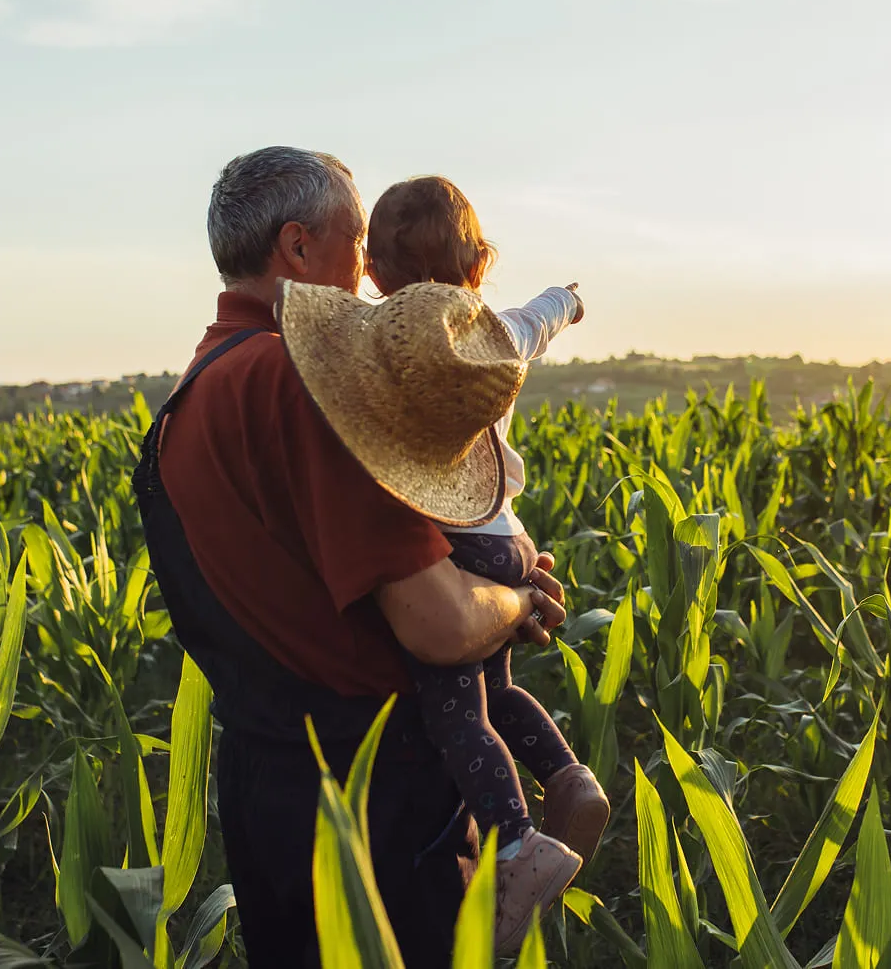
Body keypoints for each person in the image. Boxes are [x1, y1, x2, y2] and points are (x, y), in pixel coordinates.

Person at [132, 146, 567, 968]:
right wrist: (517, 603)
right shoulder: (302, 381)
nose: (370, 271)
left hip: (269, 790)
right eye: (355, 241)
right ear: (297, 249)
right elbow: (438, 625)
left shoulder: (195, 390)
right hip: (375, 801)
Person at [357, 175, 611, 953]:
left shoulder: (384, 353)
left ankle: (517, 842)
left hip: (453, 541)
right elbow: (543, 315)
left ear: (371, 276)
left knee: (455, 709)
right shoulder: (500, 335)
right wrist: (566, 299)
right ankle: (571, 780)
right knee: (498, 695)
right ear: (477, 266)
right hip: (507, 536)